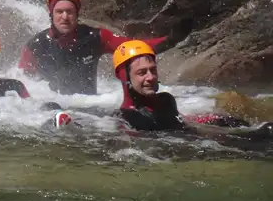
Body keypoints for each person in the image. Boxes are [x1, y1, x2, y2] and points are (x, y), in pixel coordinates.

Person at [19, 0, 191, 95]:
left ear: (77, 15)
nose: (65, 17)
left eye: (70, 12)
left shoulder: (95, 37)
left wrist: (169, 40)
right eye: (59, 12)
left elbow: (132, 47)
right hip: (51, 108)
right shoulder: (36, 44)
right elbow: (24, 81)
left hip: (89, 107)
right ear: (51, 14)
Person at [112, 41, 272, 140]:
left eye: (153, 70)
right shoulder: (127, 118)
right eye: (142, 73)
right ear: (123, 76)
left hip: (201, 140)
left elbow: (183, 120)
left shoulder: (165, 100)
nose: (150, 77)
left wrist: (217, 119)